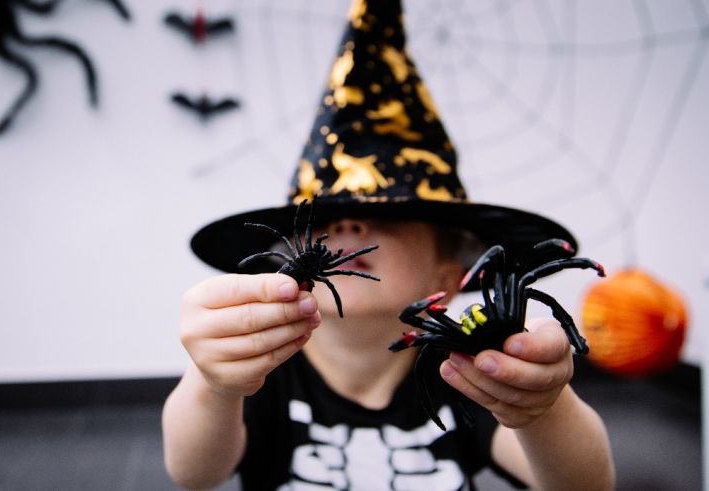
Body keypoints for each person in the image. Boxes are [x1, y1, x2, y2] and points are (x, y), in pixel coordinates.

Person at [163, 1, 615, 489]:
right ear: (282, 261)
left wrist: (541, 406)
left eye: (387, 217)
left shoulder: (464, 372)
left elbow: (586, 485)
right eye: (327, 218)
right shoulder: (264, 371)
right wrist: (213, 382)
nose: (351, 225)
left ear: (449, 275)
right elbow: (194, 475)